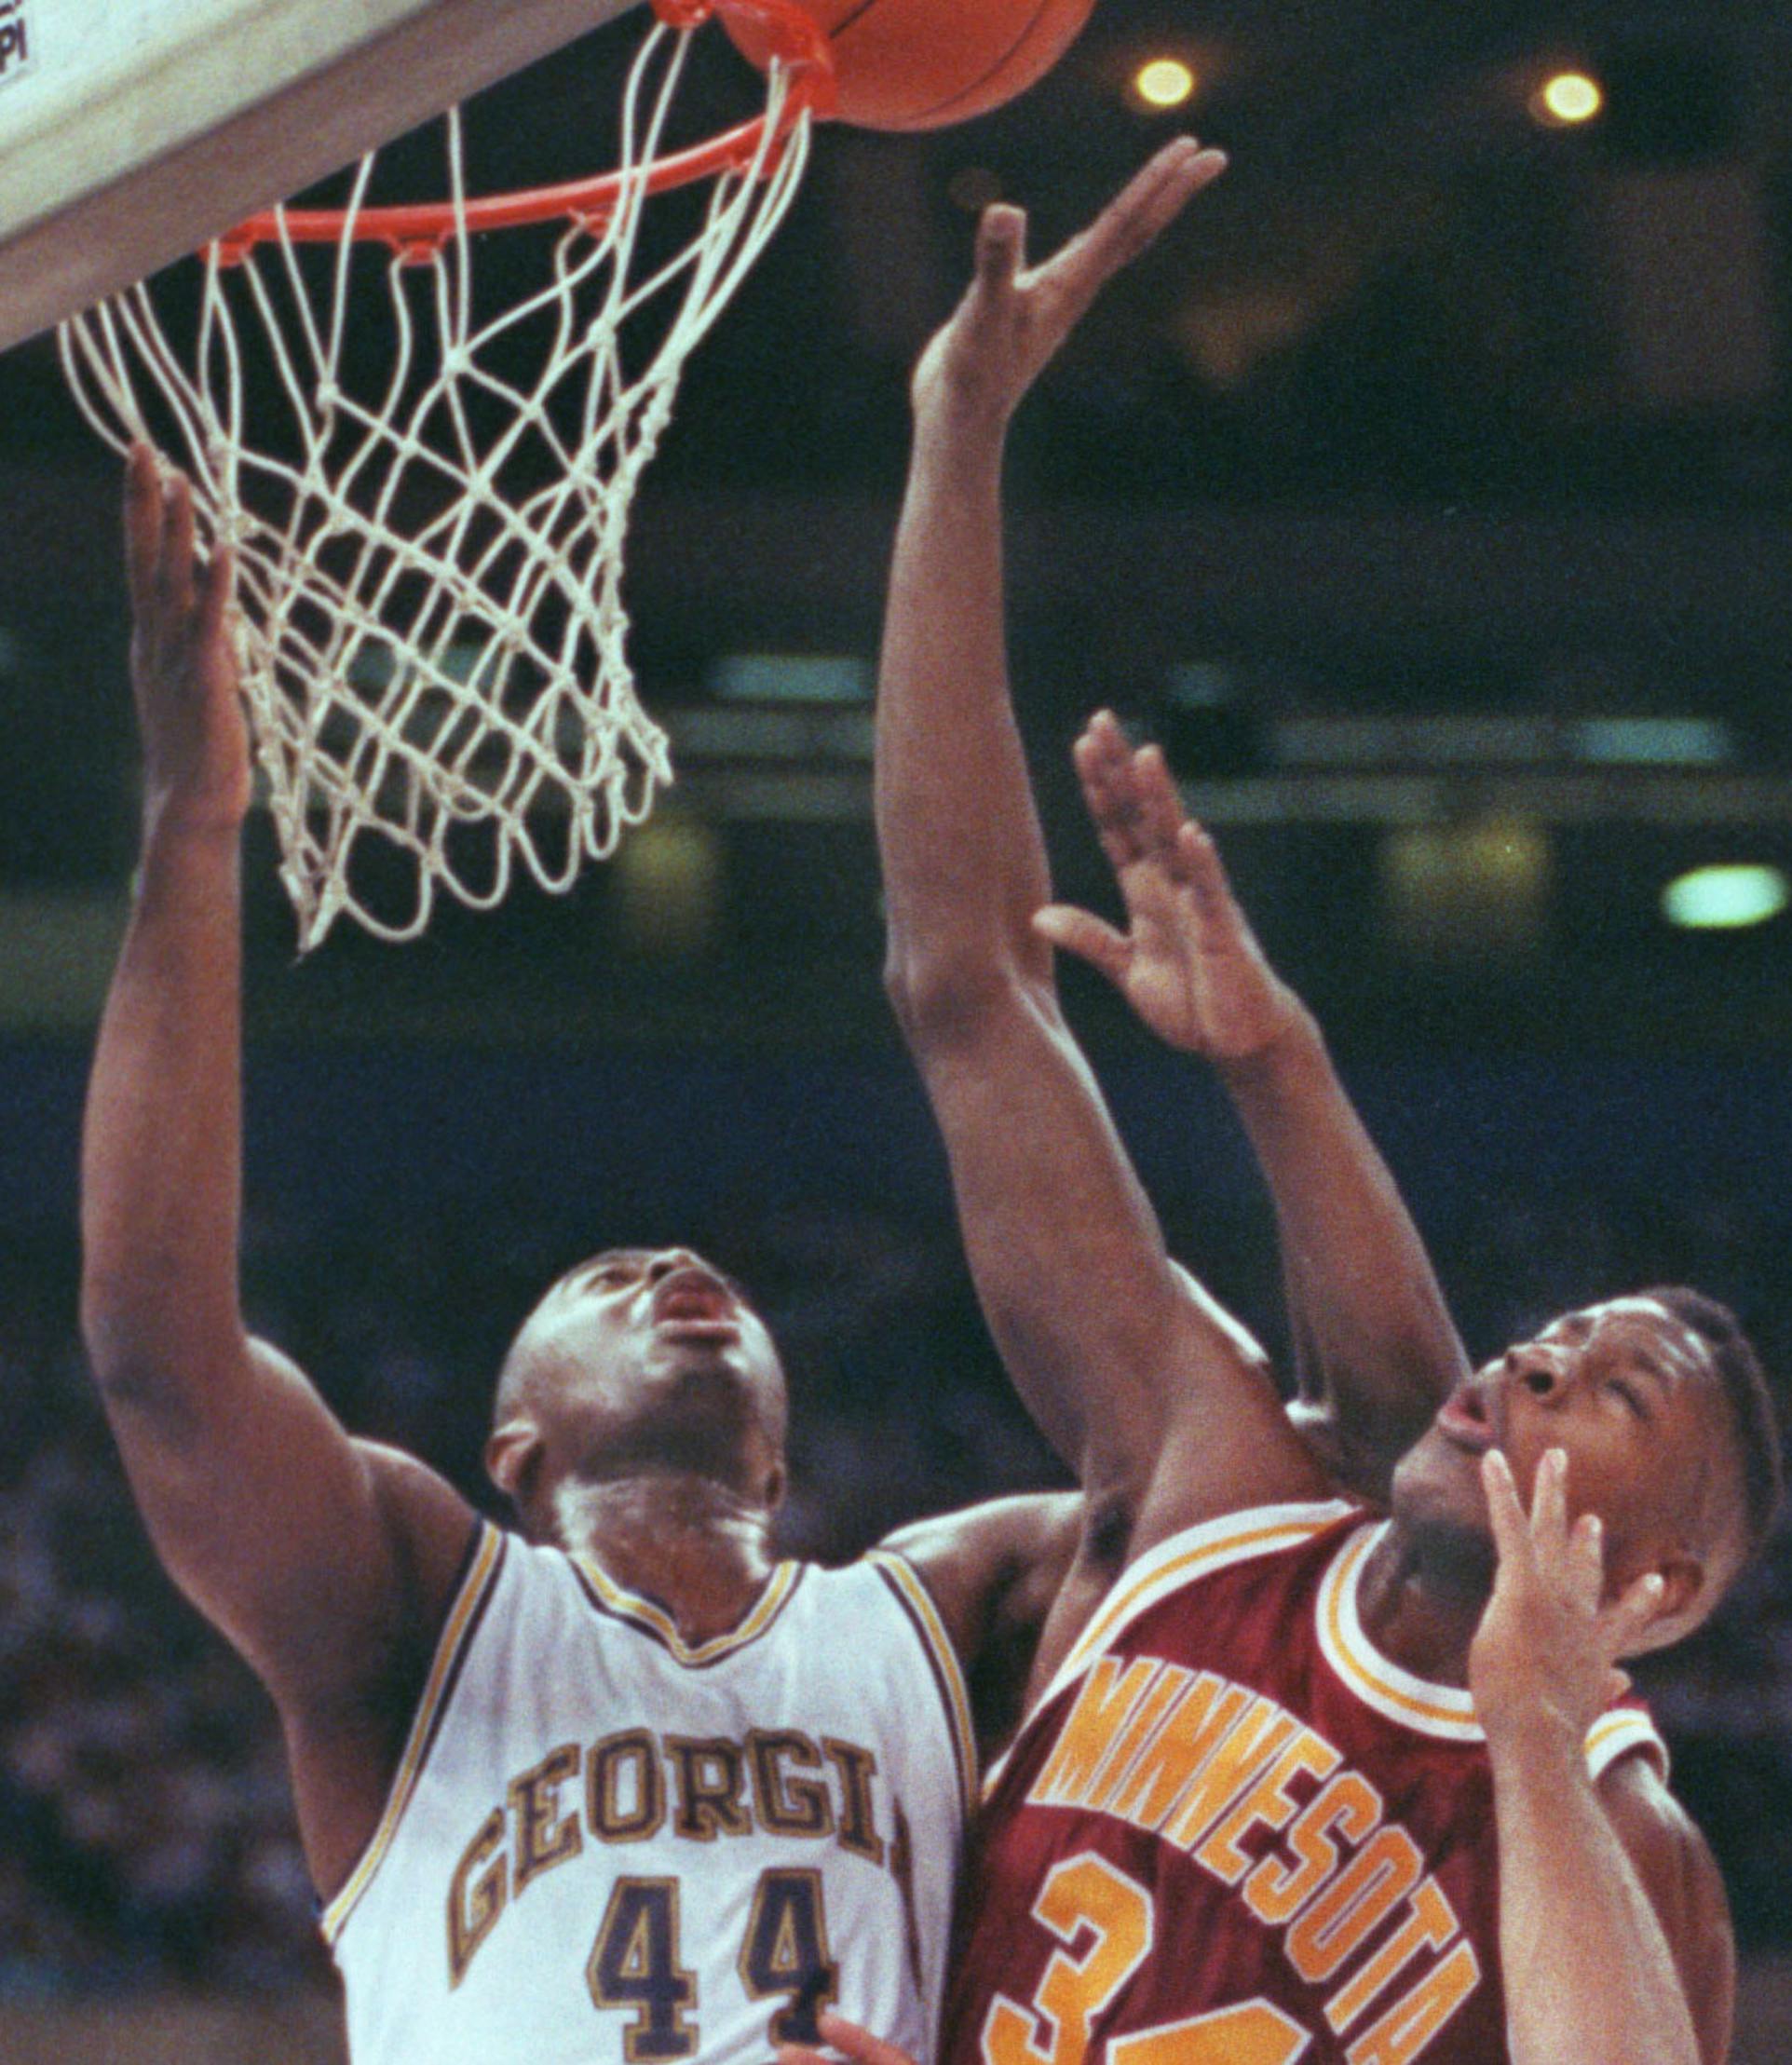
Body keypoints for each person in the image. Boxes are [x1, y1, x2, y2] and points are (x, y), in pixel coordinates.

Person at [82, 415, 1420, 2058]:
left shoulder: (943, 1617)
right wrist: (191, 829)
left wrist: (961, 436)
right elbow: (158, 1357)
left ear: (783, 1463)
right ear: (513, 1443)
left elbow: (1366, 1466)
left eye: (687, 1276)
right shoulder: (421, 1610)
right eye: (599, 1284)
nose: (669, 1271)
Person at [803, 138, 1784, 2065]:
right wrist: (959, 436)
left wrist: (1535, 1713)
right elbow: (975, 994)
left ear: (1659, 1586)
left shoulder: (1627, 1851)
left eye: (1611, 1390)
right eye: (1552, 1336)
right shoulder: (1223, 1495)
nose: (1533, 1363)